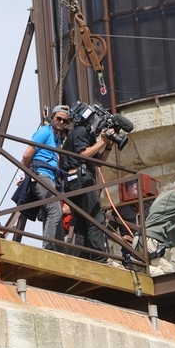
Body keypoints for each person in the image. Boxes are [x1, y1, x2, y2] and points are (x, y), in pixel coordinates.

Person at [59, 110, 115, 264]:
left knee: (82, 224)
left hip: (73, 181)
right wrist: (102, 141)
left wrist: (108, 145)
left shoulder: (84, 135)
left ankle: (81, 260)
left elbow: (98, 162)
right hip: (80, 178)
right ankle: (99, 259)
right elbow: (83, 155)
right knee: (95, 219)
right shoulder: (81, 131)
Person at [19, 105, 68, 251]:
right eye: (58, 118)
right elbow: (27, 154)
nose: (61, 122)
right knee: (55, 211)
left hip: (49, 175)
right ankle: (48, 247)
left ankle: (47, 245)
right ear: (52, 117)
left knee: (48, 211)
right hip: (41, 174)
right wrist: (28, 173)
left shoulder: (56, 136)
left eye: (64, 121)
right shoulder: (45, 132)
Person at [109, 181, 151, 260]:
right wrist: (122, 239)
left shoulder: (150, 203)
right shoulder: (120, 207)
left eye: (141, 188)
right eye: (136, 188)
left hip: (150, 248)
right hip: (129, 250)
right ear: (129, 190)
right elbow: (109, 231)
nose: (139, 190)